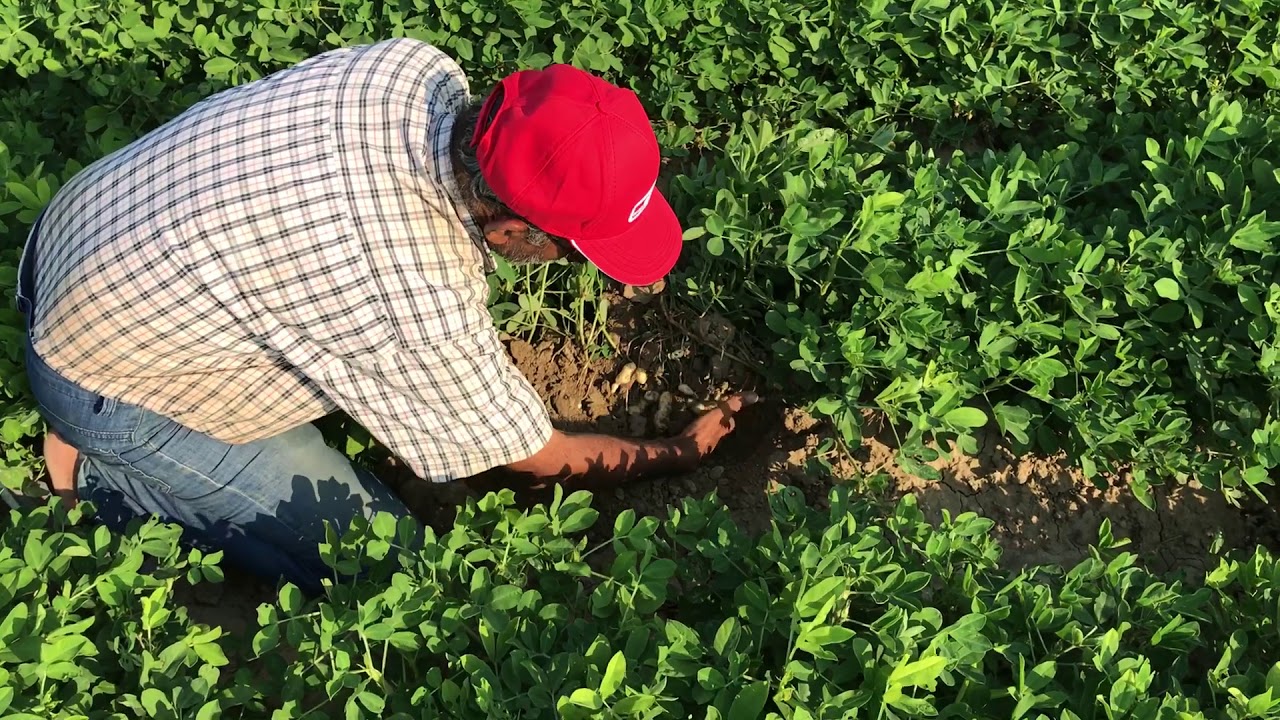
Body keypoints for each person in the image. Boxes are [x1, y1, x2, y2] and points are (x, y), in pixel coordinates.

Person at [16, 38, 755, 594]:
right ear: (509, 230)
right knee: (389, 565)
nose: (572, 264)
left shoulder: (410, 69)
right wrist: (677, 454)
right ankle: (103, 473)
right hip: (104, 378)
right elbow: (528, 454)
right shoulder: (413, 291)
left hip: (78, 231)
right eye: (571, 249)